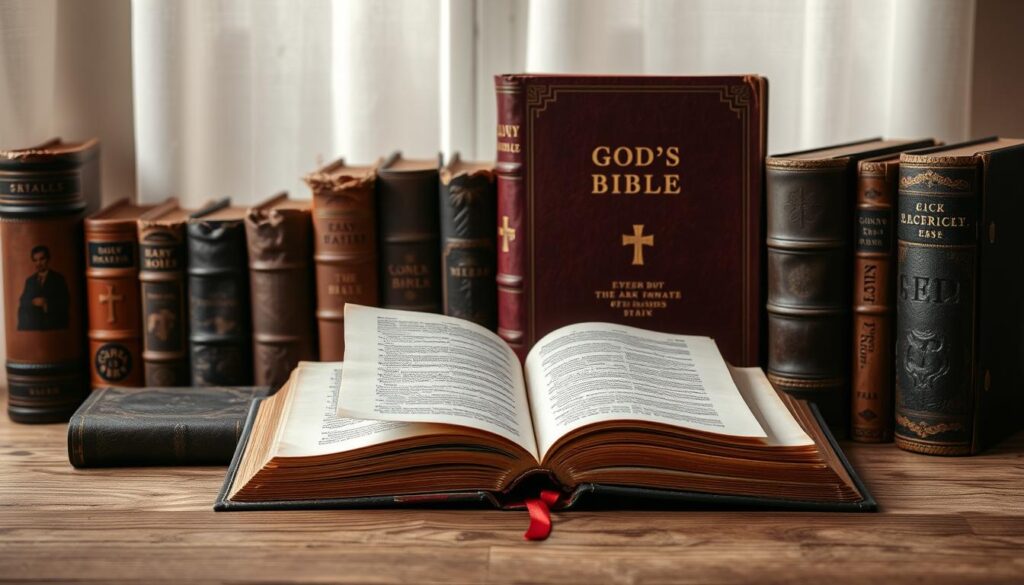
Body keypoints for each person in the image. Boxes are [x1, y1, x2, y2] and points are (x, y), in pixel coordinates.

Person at [17, 245, 70, 331]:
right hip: (35, 327)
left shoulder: (59, 279)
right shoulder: (30, 281)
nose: (38, 263)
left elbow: (65, 302)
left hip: (53, 327)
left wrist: (46, 304)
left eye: (42, 259)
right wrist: (33, 302)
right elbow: (22, 301)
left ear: (48, 259)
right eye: (35, 260)